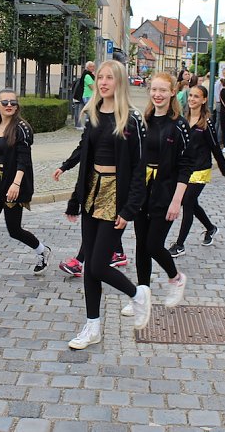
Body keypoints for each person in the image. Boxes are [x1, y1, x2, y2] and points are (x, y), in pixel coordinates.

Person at [56, 60, 151, 350]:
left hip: (116, 196)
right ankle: (92, 326)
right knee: (89, 268)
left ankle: (137, 294)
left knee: (98, 264)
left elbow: (138, 168)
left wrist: (129, 209)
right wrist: (70, 180)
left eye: (110, 77)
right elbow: (85, 151)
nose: (104, 82)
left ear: (119, 82)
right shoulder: (94, 114)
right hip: (92, 193)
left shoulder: (131, 120)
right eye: (100, 77)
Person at [0, 89, 51, 288]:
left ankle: (42, 250)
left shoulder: (21, 128)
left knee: (14, 230)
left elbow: (24, 159)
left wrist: (16, 183)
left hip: (12, 183)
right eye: (4, 102)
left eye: (13, 102)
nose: (9, 105)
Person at [123, 73, 190, 317]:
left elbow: (186, 166)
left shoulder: (179, 124)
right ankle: (142, 297)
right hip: (143, 192)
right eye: (154, 90)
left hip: (166, 193)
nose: (157, 94)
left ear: (173, 92)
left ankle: (176, 277)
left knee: (153, 244)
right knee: (141, 247)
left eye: (163, 90)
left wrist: (177, 200)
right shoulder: (143, 120)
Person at [169, 84, 225, 257]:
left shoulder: (207, 123)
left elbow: (215, 149)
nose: (192, 99)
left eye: (196, 97)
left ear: (204, 100)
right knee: (191, 203)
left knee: (188, 202)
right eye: (190, 96)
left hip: (200, 169)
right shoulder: (182, 120)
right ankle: (210, 228)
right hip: (185, 170)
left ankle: (180, 244)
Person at [73, 61, 96, 129]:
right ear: (88, 67)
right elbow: (92, 87)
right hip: (88, 95)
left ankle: (85, 124)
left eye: (93, 66)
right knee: (89, 111)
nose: (93, 68)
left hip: (89, 95)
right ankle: (86, 125)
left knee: (88, 111)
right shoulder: (87, 75)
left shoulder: (89, 75)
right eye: (91, 66)